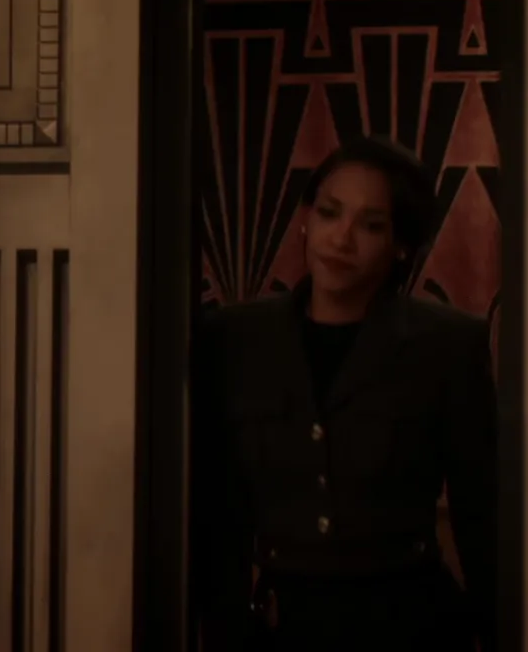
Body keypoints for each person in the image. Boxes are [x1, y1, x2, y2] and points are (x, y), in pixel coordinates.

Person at [192, 137, 497, 651]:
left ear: (401, 244)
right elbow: (215, 512)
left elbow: (482, 516)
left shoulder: (447, 345)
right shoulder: (234, 338)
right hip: (281, 624)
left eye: (370, 225)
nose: (341, 238)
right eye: (329, 213)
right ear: (306, 219)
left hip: (411, 623)